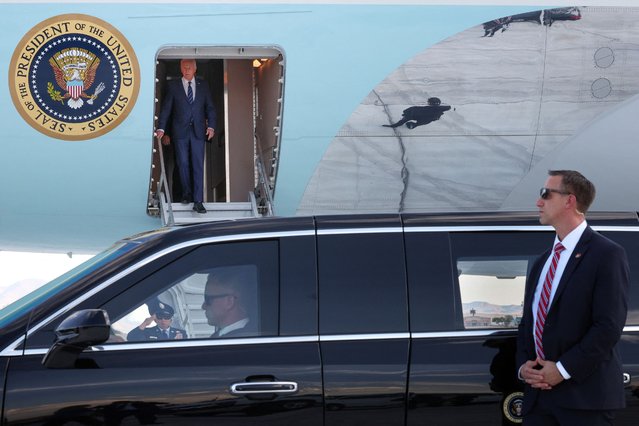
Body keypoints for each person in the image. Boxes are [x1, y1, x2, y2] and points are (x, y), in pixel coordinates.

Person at [516, 170, 629, 425]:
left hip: (584, 400)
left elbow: (608, 326)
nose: (538, 202)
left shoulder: (607, 254)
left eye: (545, 194)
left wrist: (562, 370)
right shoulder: (542, 262)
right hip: (538, 401)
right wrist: (524, 367)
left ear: (570, 200)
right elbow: (528, 323)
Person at [155, 58, 216, 214]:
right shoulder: (173, 86)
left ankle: (198, 201)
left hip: (198, 131)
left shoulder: (204, 86)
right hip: (180, 132)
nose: (187, 68)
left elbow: (210, 107)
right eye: (184, 66)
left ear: (195, 68)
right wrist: (161, 128)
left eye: (190, 66)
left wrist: (211, 127)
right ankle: (187, 193)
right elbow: (166, 109)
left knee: (197, 165)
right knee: (182, 164)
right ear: (181, 69)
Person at [201, 266, 258, 338]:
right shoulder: (250, 335)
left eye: (208, 299)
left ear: (229, 302)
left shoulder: (237, 341)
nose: (203, 306)